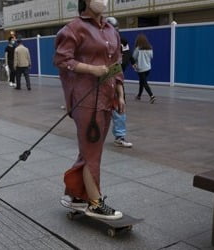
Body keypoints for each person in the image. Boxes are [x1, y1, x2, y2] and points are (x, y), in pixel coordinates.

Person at [54, 0, 124, 220]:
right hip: (85, 99)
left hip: (107, 96)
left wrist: (120, 92)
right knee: (92, 152)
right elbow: (62, 59)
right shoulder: (74, 28)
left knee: (89, 150)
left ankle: (76, 194)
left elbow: (117, 62)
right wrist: (91, 69)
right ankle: (95, 203)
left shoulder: (112, 29)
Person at [106, 16, 133, 148]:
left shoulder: (122, 42)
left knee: (120, 107)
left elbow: (125, 59)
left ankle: (120, 136)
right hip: (100, 81)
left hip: (115, 78)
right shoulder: (99, 43)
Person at [133, 33, 156, 103]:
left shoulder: (138, 49)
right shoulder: (150, 48)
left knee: (144, 83)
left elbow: (134, 57)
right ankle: (139, 96)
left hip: (141, 69)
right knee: (142, 82)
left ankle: (152, 96)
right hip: (148, 68)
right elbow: (151, 57)